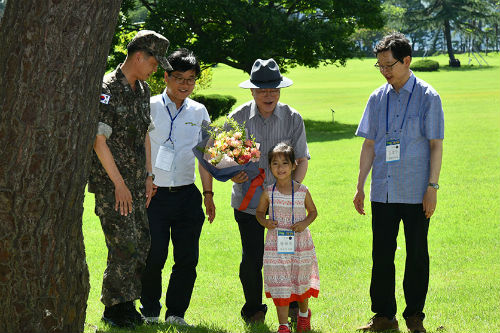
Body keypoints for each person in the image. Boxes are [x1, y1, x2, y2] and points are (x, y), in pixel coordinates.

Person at [353, 32, 444, 333]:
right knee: (381, 254)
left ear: (407, 61)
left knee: (417, 254)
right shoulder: (377, 98)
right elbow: (369, 145)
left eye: (389, 65)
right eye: (379, 66)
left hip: (417, 191)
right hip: (384, 190)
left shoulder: (428, 96)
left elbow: (435, 145)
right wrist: (360, 185)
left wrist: (432, 188)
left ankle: (414, 316)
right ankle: (383, 316)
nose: (385, 71)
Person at [88, 30, 172, 328]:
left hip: (137, 183)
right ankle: (114, 308)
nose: (155, 69)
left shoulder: (143, 90)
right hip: (113, 185)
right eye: (153, 62)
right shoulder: (107, 88)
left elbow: (146, 136)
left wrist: (149, 176)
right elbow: (99, 140)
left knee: (142, 242)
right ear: (139, 56)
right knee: (123, 243)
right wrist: (119, 184)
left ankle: (126, 303)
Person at [228, 58, 310, 324]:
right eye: (262, 89)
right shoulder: (237, 118)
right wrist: (232, 172)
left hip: (285, 207)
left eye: (273, 89)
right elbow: (223, 159)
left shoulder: (293, 117)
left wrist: (292, 195)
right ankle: (253, 310)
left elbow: (303, 160)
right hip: (249, 203)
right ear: (251, 91)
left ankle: (295, 307)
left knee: (289, 255)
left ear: (280, 90)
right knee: (252, 259)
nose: (268, 95)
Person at [139, 48, 216, 326]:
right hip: (154, 195)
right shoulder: (148, 106)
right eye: (179, 77)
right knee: (154, 256)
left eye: (191, 79)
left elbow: (206, 155)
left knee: (187, 259)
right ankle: (149, 311)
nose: (185, 84)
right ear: (166, 77)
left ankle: (176, 314)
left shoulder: (200, 111)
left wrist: (208, 195)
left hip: (187, 194)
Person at [256, 142, 319, 333]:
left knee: (300, 281)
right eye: (275, 163)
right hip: (276, 245)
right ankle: (283, 326)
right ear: (270, 167)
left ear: (293, 166)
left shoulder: (302, 191)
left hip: (300, 244)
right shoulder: (268, 192)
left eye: (285, 163)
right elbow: (259, 213)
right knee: (281, 283)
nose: (280, 168)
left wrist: (304, 223)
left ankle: (303, 315)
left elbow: (313, 212)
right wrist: (265, 222)